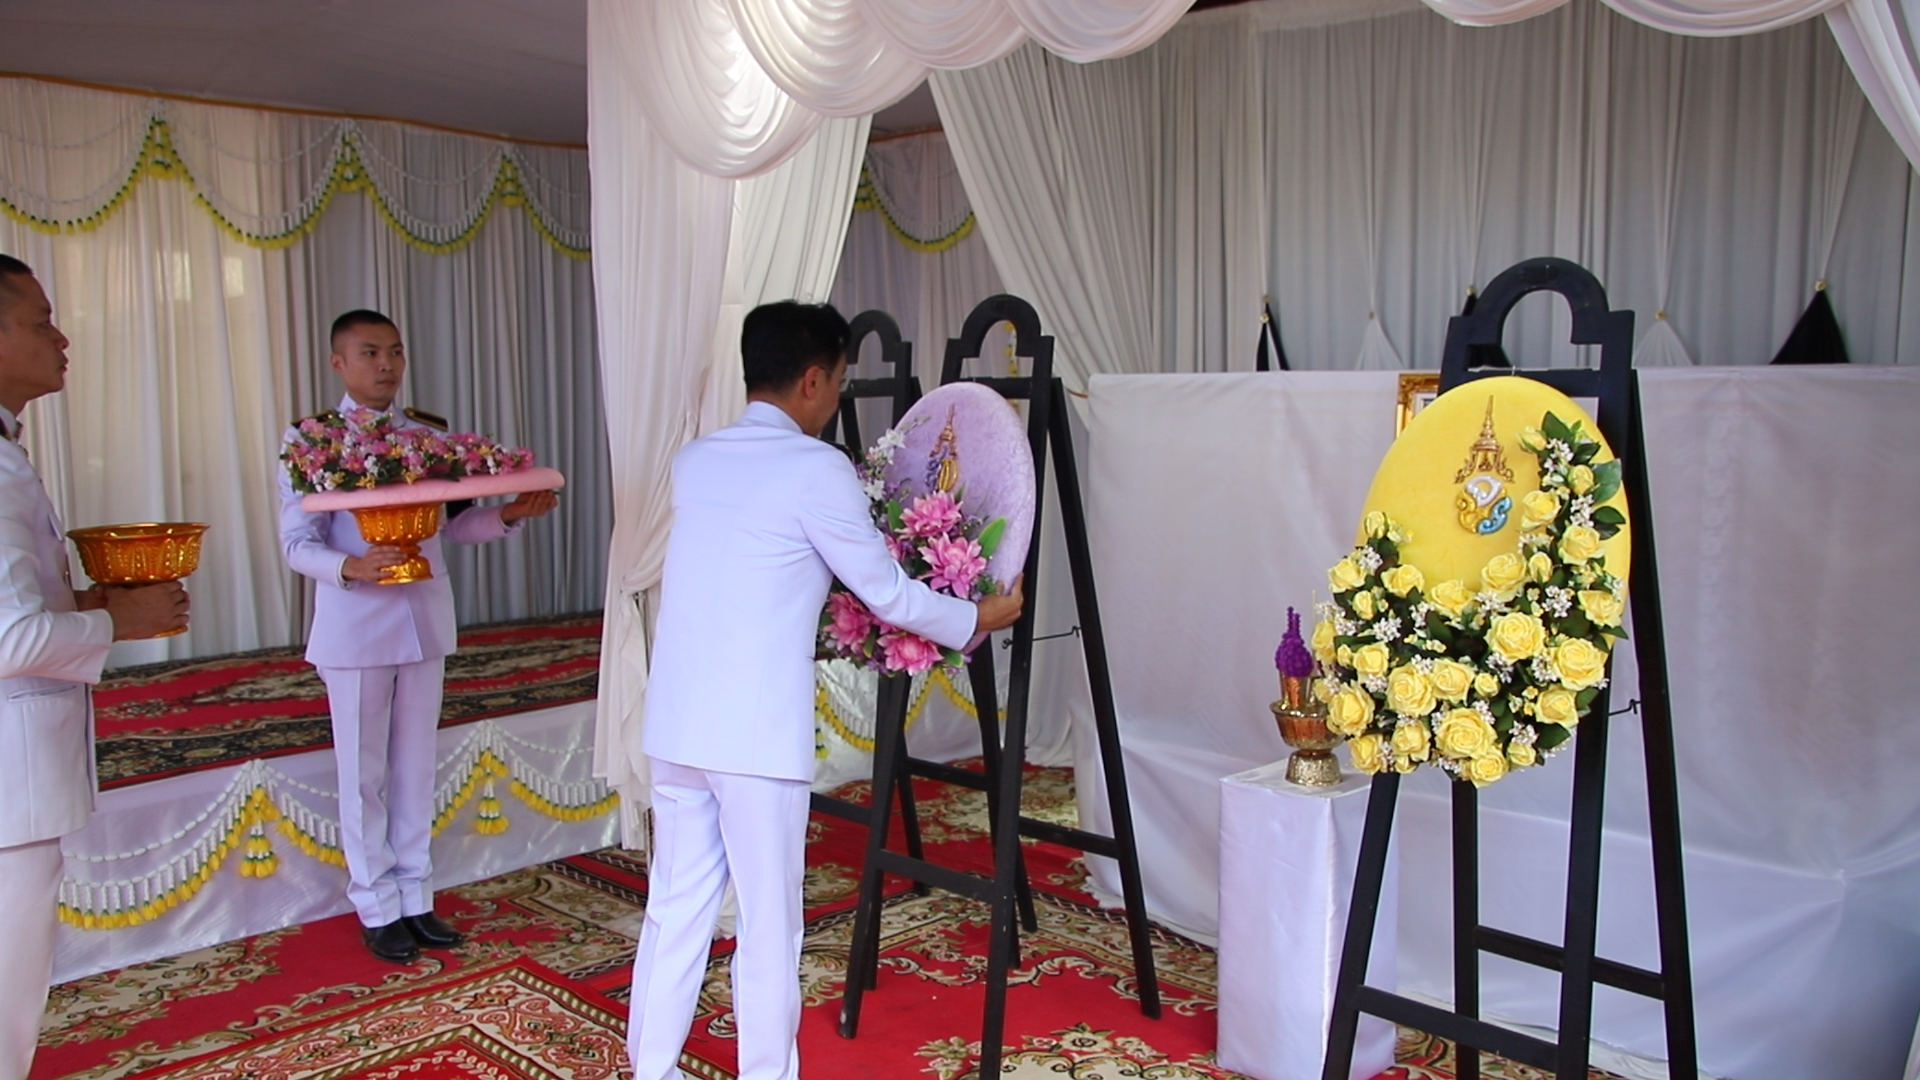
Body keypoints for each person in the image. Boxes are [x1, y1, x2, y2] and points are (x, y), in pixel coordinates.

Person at [626, 301, 1025, 1080]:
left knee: (674, 907)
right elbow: (887, 594)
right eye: (839, 381)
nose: (837, 396)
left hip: (676, 722)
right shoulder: (814, 468)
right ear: (812, 380)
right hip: (753, 736)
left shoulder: (696, 460)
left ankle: (652, 1070)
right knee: (769, 924)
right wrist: (977, 615)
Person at [277, 310, 557, 964]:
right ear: (339, 363)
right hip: (356, 623)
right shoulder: (313, 440)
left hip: (422, 619)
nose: (386, 365)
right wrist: (349, 566)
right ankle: (375, 904)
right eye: (370, 352)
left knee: (415, 768)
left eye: (395, 352)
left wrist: (509, 515)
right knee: (363, 773)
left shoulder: (428, 437)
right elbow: (296, 542)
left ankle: (415, 897)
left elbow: (453, 528)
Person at [0, 254, 188, 1079]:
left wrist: (87, 602)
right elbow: (7, 640)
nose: (62, 338)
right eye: (40, 322)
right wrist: (117, 620)